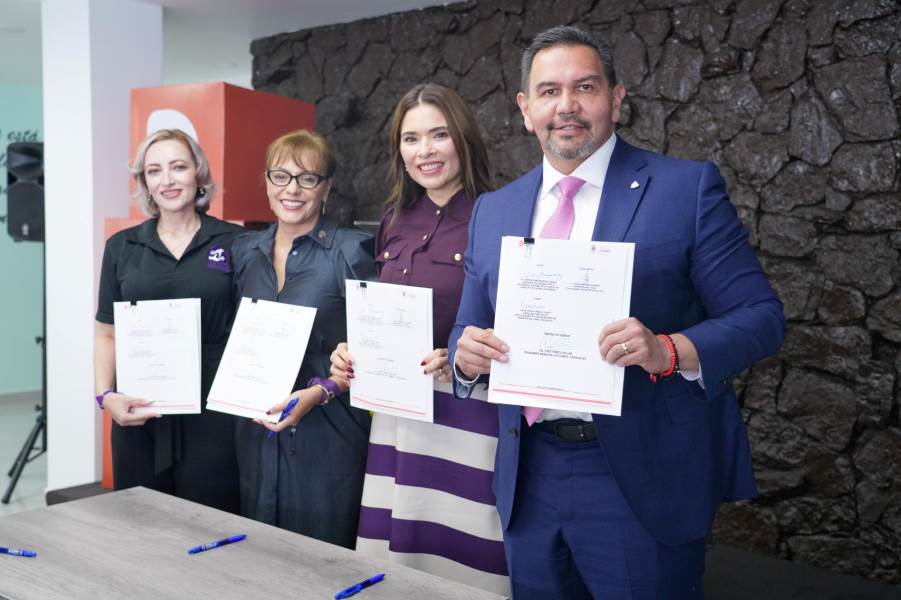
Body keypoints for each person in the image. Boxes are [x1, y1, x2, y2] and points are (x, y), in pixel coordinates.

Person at [449, 26, 785, 599]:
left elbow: (761, 316)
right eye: (549, 92)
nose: (567, 106)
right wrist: (466, 357)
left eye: (585, 87)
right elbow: (467, 326)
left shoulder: (685, 189)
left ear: (616, 97)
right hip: (530, 476)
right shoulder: (493, 210)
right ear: (525, 109)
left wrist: (668, 350)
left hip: (638, 476)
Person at [328, 83, 509, 594]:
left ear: (464, 140)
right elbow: (385, 313)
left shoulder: (498, 215)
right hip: (397, 414)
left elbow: (514, 323)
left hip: (468, 416)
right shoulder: (392, 218)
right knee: (399, 555)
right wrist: (350, 351)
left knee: (465, 557)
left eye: (438, 135)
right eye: (410, 139)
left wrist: (464, 353)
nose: (424, 151)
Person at [230, 129, 375, 549]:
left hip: (327, 433)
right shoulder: (244, 252)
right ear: (266, 183)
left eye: (307, 178)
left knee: (323, 560)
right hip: (257, 431)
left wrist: (326, 388)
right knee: (260, 555)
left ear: (326, 187)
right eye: (281, 176)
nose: (292, 189)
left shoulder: (352, 251)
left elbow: (373, 349)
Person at [94, 128, 242, 513]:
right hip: (139, 407)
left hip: (214, 411)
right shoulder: (121, 247)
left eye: (178, 167)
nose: (168, 180)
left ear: (199, 173)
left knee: (213, 520)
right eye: (154, 171)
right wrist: (104, 395)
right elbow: (106, 332)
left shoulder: (234, 242)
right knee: (141, 524)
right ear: (144, 183)